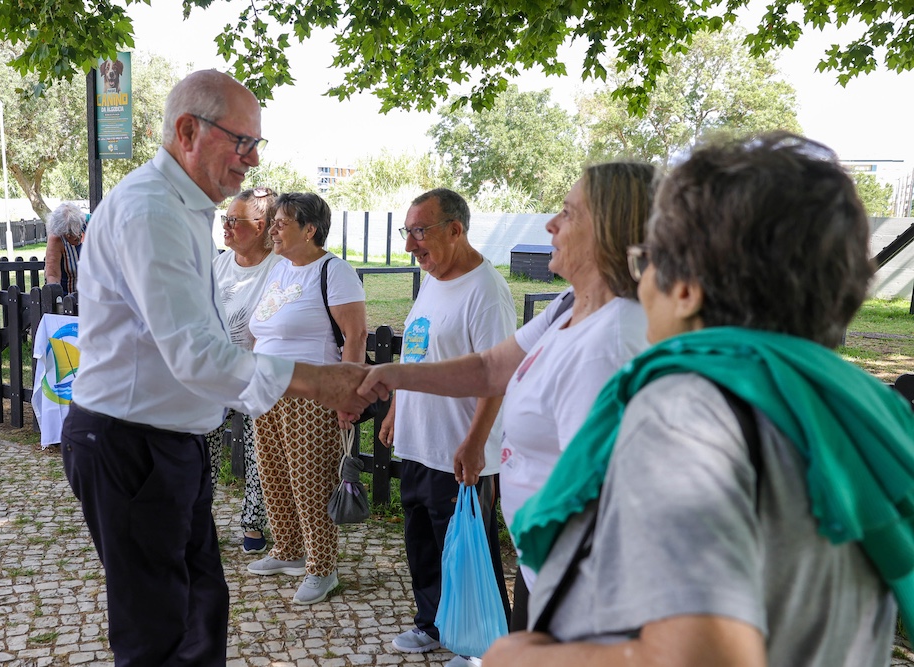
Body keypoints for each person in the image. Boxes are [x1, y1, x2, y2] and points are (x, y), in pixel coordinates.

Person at [483, 132, 914, 667]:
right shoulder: (857, 409)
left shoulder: (686, 411)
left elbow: (702, 657)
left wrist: (520, 658)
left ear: (685, 289)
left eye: (647, 262)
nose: (641, 285)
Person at [61, 70, 369, 667]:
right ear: (187, 131)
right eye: (241, 141)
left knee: (202, 606)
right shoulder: (151, 209)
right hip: (133, 443)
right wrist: (320, 379)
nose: (251, 161)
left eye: (257, 145)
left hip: (167, 440)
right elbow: (197, 353)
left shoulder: (180, 208)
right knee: (159, 625)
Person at [360, 165, 656, 637]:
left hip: (577, 586)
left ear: (610, 230)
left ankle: (473, 638)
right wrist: (391, 377)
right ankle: (441, 627)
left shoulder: (613, 338)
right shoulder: (566, 307)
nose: (549, 225)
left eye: (567, 214)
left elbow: (602, 492)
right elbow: (487, 368)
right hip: (543, 565)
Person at [373, 188, 515, 661]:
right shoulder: (434, 278)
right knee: (423, 544)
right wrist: (396, 410)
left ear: (456, 229)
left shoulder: (486, 291)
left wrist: (475, 444)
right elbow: (417, 349)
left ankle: (483, 644)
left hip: (458, 449)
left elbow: (496, 377)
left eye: (420, 232)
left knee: (469, 552)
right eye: (406, 232)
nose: (411, 245)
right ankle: (432, 623)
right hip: (418, 443)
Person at [246, 192, 367, 605]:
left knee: (310, 481)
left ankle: (322, 567)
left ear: (310, 229)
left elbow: (355, 335)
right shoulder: (279, 269)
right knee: (273, 476)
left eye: (282, 222)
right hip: (267, 388)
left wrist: (346, 392)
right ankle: (289, 550)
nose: (273, 229)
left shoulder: (334, 271)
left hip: (311, 392)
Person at [204, 186, 281, 555]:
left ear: (261, 225)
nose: (226, 226)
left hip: (257, 376)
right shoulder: (219, 264)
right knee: (203, 452)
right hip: (214, 375)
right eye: (225, 219)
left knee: (258, 455)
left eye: (234, 220)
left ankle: (254, 526)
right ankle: (200, 523)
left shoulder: (279, 266)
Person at [44, 202, 86, 294]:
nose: (69, 235)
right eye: (66, 233)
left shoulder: (90, 227)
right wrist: (58, 302)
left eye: (72, 231)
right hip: (66, 297)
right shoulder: (56, 238)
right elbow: (52, 276)